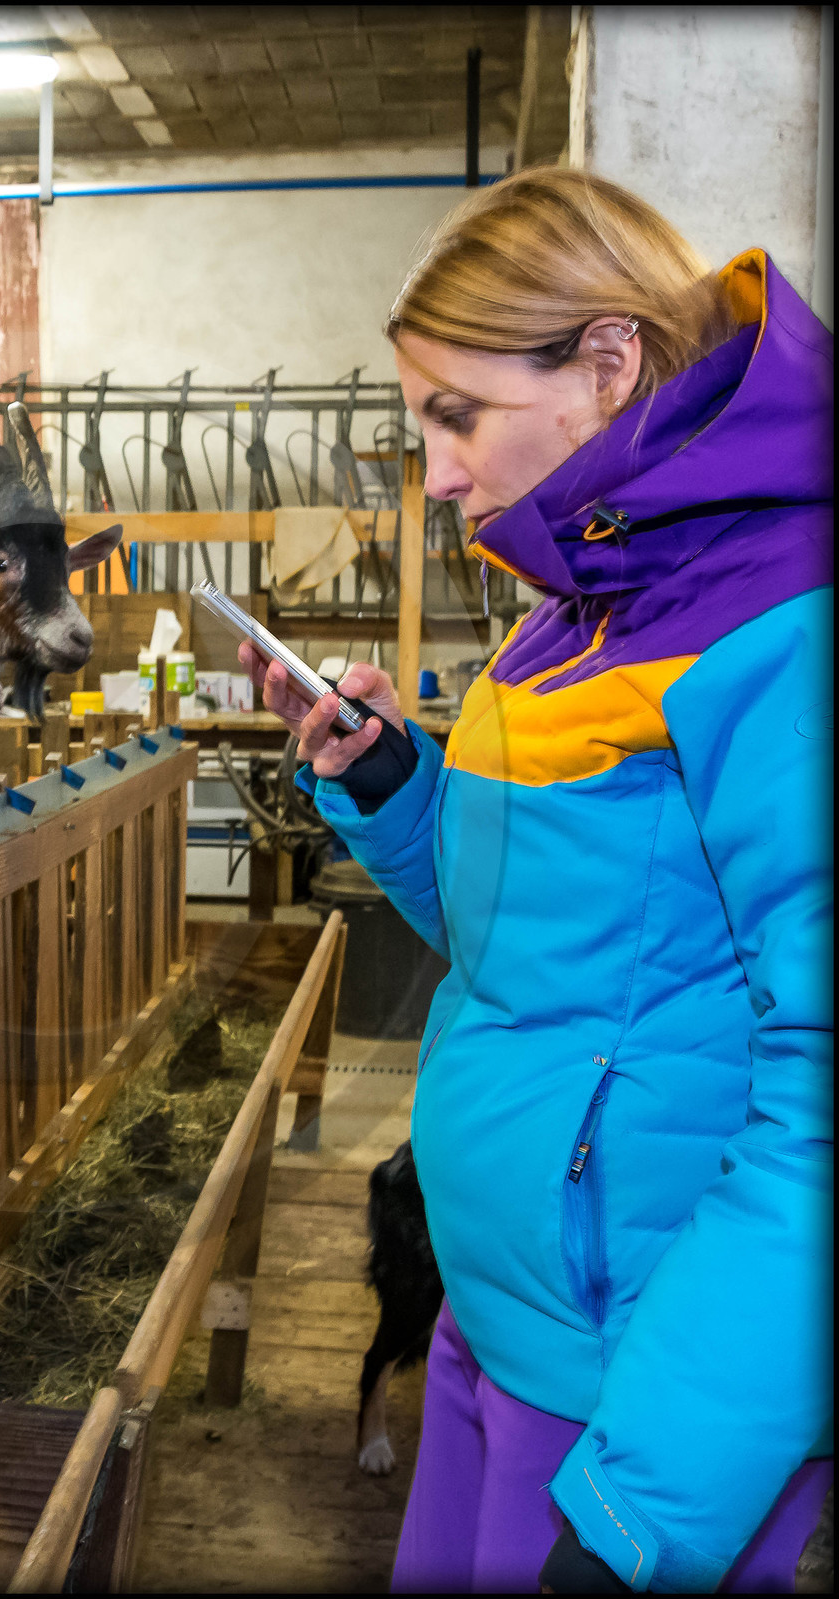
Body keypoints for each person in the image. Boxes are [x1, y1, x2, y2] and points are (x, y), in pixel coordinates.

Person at [239, 168, 832, 1593]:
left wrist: (645, 1512)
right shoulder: (571, 613)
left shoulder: (778, 622)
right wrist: (393, 787)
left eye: (458, 415)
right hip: (499, 1313)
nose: (439, 473)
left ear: (611, 361)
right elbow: (525, 940)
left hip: (634, 1385)